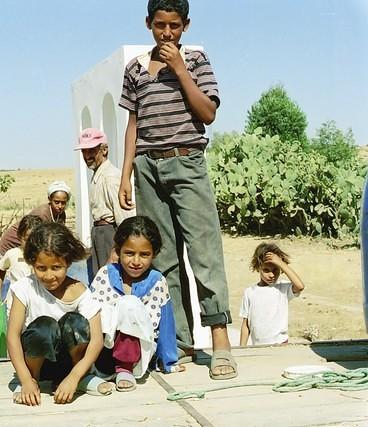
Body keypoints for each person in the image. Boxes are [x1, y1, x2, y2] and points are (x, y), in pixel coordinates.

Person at [117, 0, 237, 379]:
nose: (166, 33)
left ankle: (220, 344)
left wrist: (180, 69)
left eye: (174, 26)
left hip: (187, 163)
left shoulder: (197, 61)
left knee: (204, 253)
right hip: (147, 168)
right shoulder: (134, 69)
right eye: (159, 25)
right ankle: (181, 342)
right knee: (164, 257)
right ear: (148, 24)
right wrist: (125, 175)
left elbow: (208, 113)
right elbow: (133, 124)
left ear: (185, 25)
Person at [7, 222, 113, 406]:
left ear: (68, 262)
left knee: (75, 322)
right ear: (32, 263)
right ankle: (33, 382)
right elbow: (12, 336)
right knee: (44, 326)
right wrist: (25, 380)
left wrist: (74, 377)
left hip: (72, 364)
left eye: (56, 267)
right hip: (38, 365)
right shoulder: (24, 289)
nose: (49, 276)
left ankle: (82, 378)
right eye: (41, 268)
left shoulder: (80, 291)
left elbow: (96, 340)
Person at [90, 216, 181, 392]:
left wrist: (168, 361)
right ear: (118, 251)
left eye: (144, 255)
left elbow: (166, 322)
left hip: (137, 353)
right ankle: (101, 368)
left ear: (154, 254)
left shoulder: (157, 281)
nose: (136, 261)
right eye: (129, 253)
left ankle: (125, 368)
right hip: (104, 348)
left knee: (130, 303)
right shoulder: (105, 275)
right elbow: (90, 313)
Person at [74, 128, 135, 275]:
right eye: (84, 151)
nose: (87, 155)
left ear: (104, 150)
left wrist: (117, 248)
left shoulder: (110, 177)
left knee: (112, 279)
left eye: (91, 150)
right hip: (100, 234)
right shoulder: (98, 175)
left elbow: (126, 220)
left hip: (110, 235)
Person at [239, 243, 305, 346]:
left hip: (281, 344)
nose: (271, 275)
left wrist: (280, 263)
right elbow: (246, 324)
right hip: (257, 346)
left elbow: (300, 286)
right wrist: (241, 348)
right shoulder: (250, 292)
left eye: (275, 270)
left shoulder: (283, 288)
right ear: (258, 268)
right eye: (266, 270)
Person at [0, 181, 71, 258]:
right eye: (56, 202)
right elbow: (39, 241)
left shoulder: (61, 214)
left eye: (63, 203)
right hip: (11, 246)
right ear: (49, 199)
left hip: (29, 247)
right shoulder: (42, 214)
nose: (60, 206)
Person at [0, 214, 43, 311]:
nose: (30, 244)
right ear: (19, 237)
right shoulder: (12, 254)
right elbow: (1, 269)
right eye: (26, 240)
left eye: (34, 240)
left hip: (36, 304)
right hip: (14, 303)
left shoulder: (43, 256)